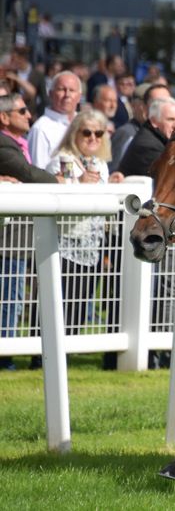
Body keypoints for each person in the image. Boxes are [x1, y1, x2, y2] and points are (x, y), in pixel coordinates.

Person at [45, 110, 123, 338]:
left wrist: (112, 184)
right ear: (74, 134)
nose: (93, 138)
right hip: (64, 245)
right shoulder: (61, 160)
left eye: (99, 133)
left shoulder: (100, 163)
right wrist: (78, 182)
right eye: (87, 132)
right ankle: (41, 357)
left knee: (80, 303)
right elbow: (57, 199)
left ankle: (69, 351)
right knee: (58, 302)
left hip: (93, 245)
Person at [0, 94, 60, 370]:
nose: (28, 115)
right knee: (9, 300)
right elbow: (26, 172)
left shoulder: (16, 143)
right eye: (22, 110)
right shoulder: (3, 143)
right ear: (4, 117)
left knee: (15, 299)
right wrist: (61, 181)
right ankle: (5, 357)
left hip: (19, 237)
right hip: (9, 241)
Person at [27, 71, 82, 172]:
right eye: (62, 89)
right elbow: (38, 174)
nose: (67, 94)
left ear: (79, 96)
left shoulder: (85, 124)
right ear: (50, 94)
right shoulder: (41, 129)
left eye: (72, 90)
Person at [118, 97, 175, 177]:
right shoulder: (147, 146)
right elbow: (173, 176)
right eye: (170, 119)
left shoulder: (163, 139)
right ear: (154, 121)